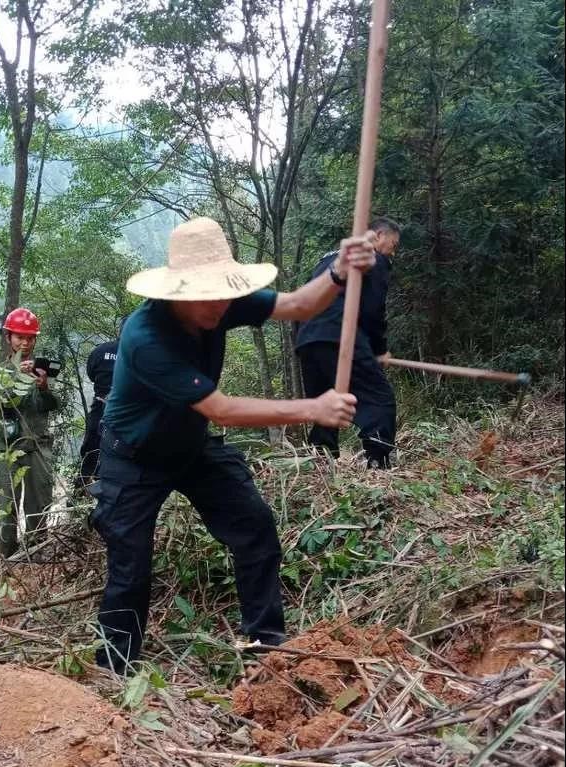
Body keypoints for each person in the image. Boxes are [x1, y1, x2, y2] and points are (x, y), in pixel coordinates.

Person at [90, 216, 377, 673]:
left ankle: (266, 646)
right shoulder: (145, 337)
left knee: (255, 528)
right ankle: (114, 670)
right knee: (131, 565)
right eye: (208, 296)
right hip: (134, 458)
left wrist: (339, 271)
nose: (221, 306)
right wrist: (312, 409)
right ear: (179, 292)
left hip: (190, 447)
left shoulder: (222, 302)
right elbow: (221, 409)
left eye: (225, 293)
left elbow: (302, 304)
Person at [296, 218, 401, 468]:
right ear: (377, 236)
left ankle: (321, 464)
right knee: (379, 399)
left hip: (307, 338)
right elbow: (373, 309)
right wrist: (379, 350)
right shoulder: (370, 258)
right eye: (393, 244)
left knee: (329, 402)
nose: (393, 252)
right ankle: (379, 463)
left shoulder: (330, 259)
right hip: (338, 334)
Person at [0, 308, 59, 557]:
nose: (25, 342)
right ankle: (7, 556)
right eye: (20, 336)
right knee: (7, 504)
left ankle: (36, 554)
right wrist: (16, 377)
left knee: (39, 503)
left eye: (30, 337)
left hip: (38, 448)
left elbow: (52, 405)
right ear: (8, 337)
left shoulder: (42, 371)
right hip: (8, 449)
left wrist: (43, 386)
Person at [75, 322, 123, 493]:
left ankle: (81, 490)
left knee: (91, 450)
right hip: (126, 413)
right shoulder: (141, 355)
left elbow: (91, 373)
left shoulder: (100, 351)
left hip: (100, 406)